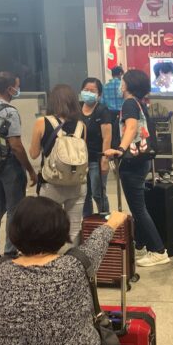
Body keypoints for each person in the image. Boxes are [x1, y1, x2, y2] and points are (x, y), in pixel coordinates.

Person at [0, 197, 145, 345]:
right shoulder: (75, 266)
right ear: (61, 231)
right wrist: (114, 220)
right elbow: (99, 239)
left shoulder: (2, 270)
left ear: (14, 231)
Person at [104, 69, 170, 267]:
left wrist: (120, 149)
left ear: (128, 85)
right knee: (140, 206)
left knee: (138, 209)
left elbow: (131, 128)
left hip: (132, 163)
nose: (120, 85)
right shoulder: (140, 104)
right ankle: (142, 242)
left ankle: (158, 250)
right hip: (141, 161)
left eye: (122, 81)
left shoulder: (129, 104)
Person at [0, 72, 37, 263]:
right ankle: (10, 250)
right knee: (14, 208)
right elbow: (15, 145)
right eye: (17, 85)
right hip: (9, 165)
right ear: (9, 89)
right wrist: (30, 170)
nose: (18, 89)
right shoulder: (9, 111)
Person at [28, 84, 87, 245]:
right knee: (74, 228)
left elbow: (33, 154)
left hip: (51, 183)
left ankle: (49, 263)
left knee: (47, 226)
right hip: (77, 183)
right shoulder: (81, 126)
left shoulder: (42, 122)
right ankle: (72, 264)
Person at [79, 77, 112, 217]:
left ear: (99, 94)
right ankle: (87, 223)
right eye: (86, 90)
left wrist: (105, 159)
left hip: (96, 160)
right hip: (80, 160)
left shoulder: (102, 110)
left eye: (92, 91)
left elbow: (107, 137)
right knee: (83, 194)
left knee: (98, 193)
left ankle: (105, 219)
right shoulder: (76, 109)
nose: (88, 93)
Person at [103, 66, 126, 149]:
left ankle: (112, 150)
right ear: (120, 74)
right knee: (122, 134)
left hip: (109, 114)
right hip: (122, 113)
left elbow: (102, 102)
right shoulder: (123, 86)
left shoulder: (105, 86)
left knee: (111, 135)